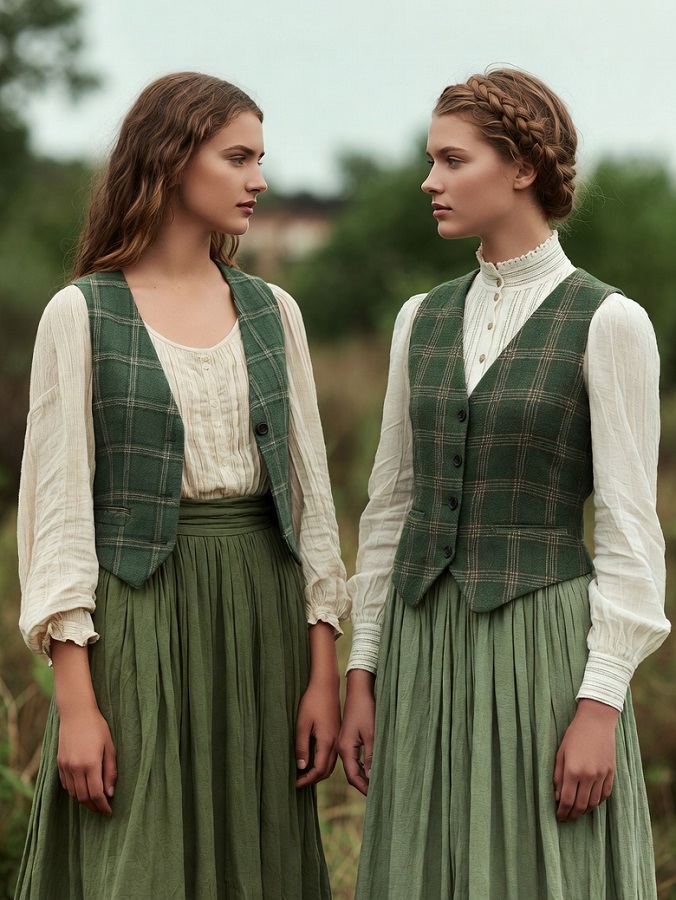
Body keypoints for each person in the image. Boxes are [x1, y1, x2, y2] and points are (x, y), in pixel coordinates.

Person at [338, 68, 670, 899]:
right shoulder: (420, 318)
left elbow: (630, 530)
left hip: (540, 650)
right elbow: (391, 507)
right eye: (431, 160)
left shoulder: (609, 321)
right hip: (420, 644)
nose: (430, 181)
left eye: (453, 161)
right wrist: (363, 669)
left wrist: (601, 703)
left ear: (523, 168)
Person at [16, 71, 349, 900]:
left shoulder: (274, 312)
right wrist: (76, 705)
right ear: (170, 157)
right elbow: (59, 517)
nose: (258, 180)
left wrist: (322, 675)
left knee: (258, 864)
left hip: (262, 621)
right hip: (138, 622)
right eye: (238, 158)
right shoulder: (81, 314)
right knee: (142, 862)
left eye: (260, 159)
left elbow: (309, 503)